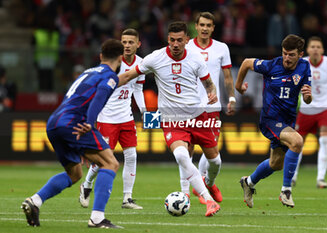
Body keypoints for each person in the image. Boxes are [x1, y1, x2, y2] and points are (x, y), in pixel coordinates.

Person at [118, 21, 221, 217]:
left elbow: (209, 83)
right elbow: (130, 74)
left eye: (179, 40)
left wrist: (212, 93)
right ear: (168, 39)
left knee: (215, 161)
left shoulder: (196, 58)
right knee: (182, 156)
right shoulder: (155, 58)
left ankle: (211, 183)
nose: (175, 44)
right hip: (171, 119)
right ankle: (209, 200)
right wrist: (107, 83)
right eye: (172, 40)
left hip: (198, 117)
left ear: (187, 40)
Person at [21, 39, 125, 229]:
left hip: (54, 122)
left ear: (101, 56)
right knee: (110, 163)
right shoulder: (109, 76)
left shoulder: (88, 72)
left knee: (75, 173)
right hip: (74, 123)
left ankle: (35, 201)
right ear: (121, 58)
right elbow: (102, 94)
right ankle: (97, 218)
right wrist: (89, 122)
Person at [235, 34, 312, 208]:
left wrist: (308, 96)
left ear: (300, 54)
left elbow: (307, 98)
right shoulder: (271, 65)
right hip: (270, 119)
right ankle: (286, 190)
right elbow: (247, 62)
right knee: (297, 141)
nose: (286, 58)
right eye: (284, 53)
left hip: (288, 121)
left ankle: (249, 182)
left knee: (276, 164)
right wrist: (238, 86)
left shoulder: (305, 67)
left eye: (291, 54)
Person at [79, 29, 146, 210]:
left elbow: (138, 90)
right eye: (124, 42)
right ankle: (86, 185)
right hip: (107, 118)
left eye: (131, 42)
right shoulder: (113, 63)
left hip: (126, 117)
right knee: (103, 160)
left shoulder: (141, 64)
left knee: (131, 155)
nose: (126, 46)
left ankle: (127, 198)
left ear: (138, 44)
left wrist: (145, 111)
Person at [180, 12, 236, 204]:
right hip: (188, 105)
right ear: (196, 26)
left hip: (212, 106)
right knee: (186, 149)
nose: (204, 28)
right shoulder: (186, 47)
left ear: (213, 28)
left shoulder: (221, 48)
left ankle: (204, 182)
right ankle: (185, 192)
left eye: (208, 25)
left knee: (210, 149)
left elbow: (227, 76)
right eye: (201, 25)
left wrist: (231, 97)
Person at [292, 36, 327, 188]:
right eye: (313, 47)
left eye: (318, 47)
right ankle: (293, 176)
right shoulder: (301, 63)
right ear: (308, 50)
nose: (316, 50)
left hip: (326, 107)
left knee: (324, 139)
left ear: (323, 50)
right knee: (297, 143)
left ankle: (321, 178)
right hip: (306, 108)